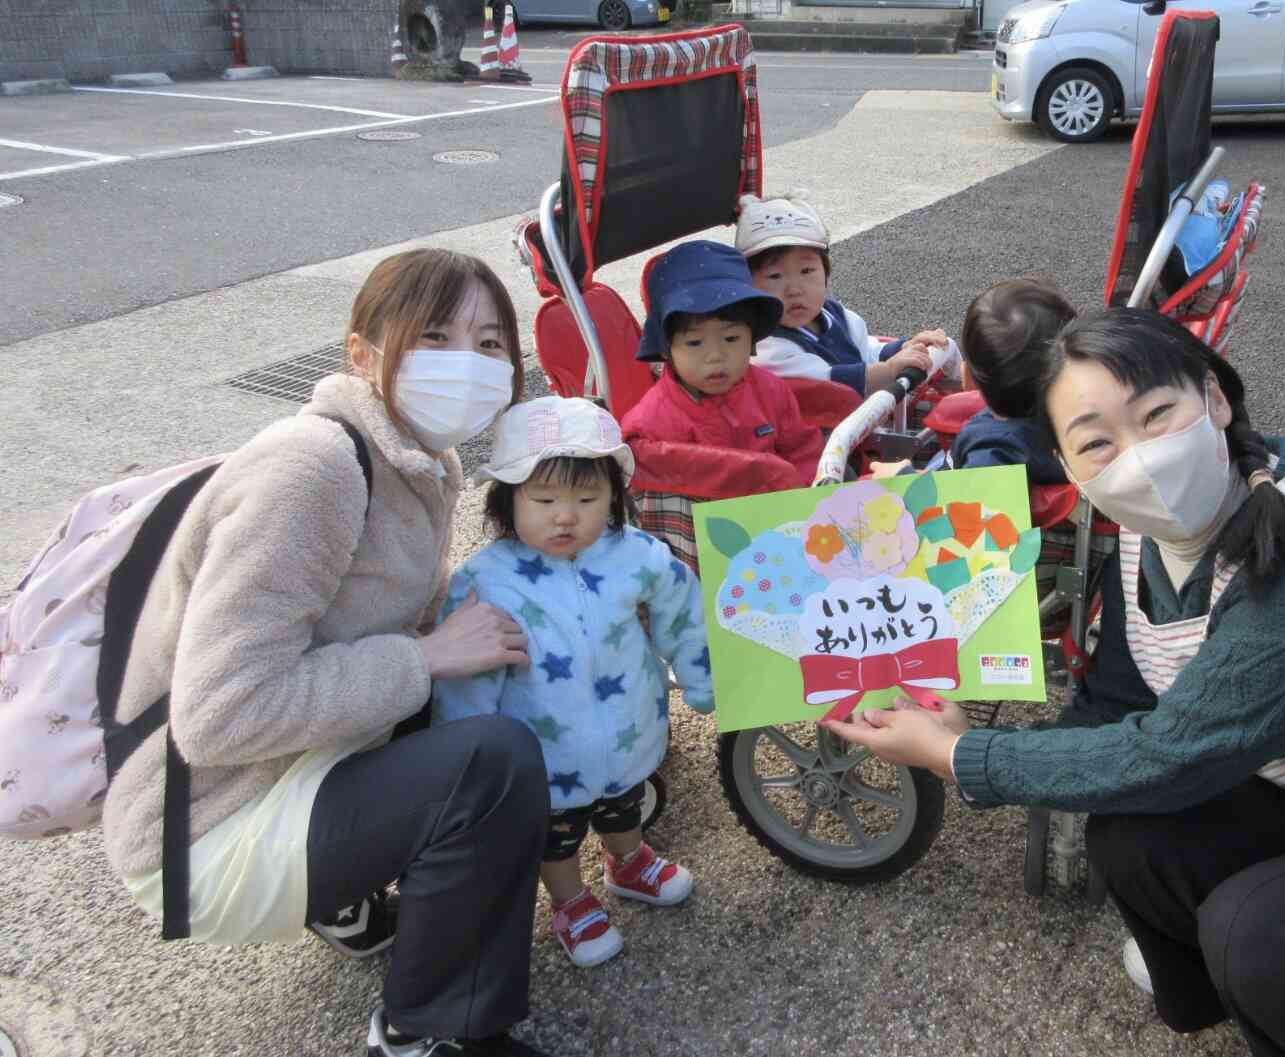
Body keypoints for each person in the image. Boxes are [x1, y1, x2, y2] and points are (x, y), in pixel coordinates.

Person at [823, 307, 1285, 1057]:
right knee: (1135, 836)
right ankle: (1257, 1005)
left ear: (1213, 397)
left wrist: (959, 754)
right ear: (1069, 466)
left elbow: (1169, 752)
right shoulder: (1143, 539)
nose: (1140, 459)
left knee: (1257, 931)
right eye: (1096, 442)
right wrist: (944, 712)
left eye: (1155, 413)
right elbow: (1115, 702)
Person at [102, 248, 559, 1057]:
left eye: (490, 344)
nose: (469, 363)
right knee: (490, 761)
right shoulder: (315, 467)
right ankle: (429, 1030)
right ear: (362, 353)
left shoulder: (420, 457)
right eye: (434, 336)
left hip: (288, 769)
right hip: (206, 826)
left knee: (479, 688)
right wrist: (428, 657)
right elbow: (219, 715)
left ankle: (342, 898)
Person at [431, 396, 715, 969]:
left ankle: (627, 862)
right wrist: (467, 751)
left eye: (587, 499)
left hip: (629, 727)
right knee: (555, 832)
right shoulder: (485, 581)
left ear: (614, 499)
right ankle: (568, 899)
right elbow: (468, 673)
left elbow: (684, 613)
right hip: (543, 751)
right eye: (544, 499)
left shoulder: (637, 556)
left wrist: (702, 677)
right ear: (507, 501)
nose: (566, 515)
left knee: (624, 801)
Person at [622, 239, 825, 491]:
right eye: (695, 343)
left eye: (731, 339)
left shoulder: (770, 390)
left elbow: (803, 449)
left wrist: (806, 490)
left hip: (781, 511)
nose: (716, 356)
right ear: (667, 349)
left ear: (752, 340)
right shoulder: (653, 420)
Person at [736, 191, 958, 397]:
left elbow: (864, 350)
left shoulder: (834, 314)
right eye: (775, 276)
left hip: (864, 416)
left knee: (945, 345)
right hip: (824, 432)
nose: (795, 289)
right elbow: (829, 384)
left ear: (825, 274)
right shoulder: (768, 348)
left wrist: (904, 348)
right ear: (748, 285)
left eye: (806, 271)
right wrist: (890, 370)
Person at [949, 277, 1073, 483]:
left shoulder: (993, 454)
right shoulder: (1082, 425)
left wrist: (902, 476)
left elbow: (975, 512)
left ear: (970, 377)